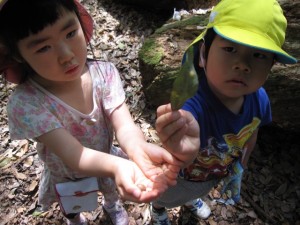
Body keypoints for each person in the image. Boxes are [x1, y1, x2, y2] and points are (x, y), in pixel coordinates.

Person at [0, 0, 181, 225]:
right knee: (72, 202)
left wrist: (137, 148)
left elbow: (124, 125)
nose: (66, 55)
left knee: (111, 188)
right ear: (17, 54)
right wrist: (119, 166)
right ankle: (74, 219)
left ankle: (111, 205)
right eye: (43, 47)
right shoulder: (27, 104)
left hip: (106, 157)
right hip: (65, 171)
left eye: (70, 32)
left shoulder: (104, 74)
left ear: (80, 22)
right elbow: (75, 155)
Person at [151, 0, 298, 224]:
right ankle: (158, 210)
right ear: (203, 54)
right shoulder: (193, 104)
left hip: (215, 172)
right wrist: (179, 139)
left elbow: (252, 132)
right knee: (167, 197)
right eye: (230, 49)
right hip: (181, 176)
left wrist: (241, 165)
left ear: (270, 68)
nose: (242, 64)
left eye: (259, 55)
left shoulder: (260, 100)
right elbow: (185, 130)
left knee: (196, 192)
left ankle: (191, 200)